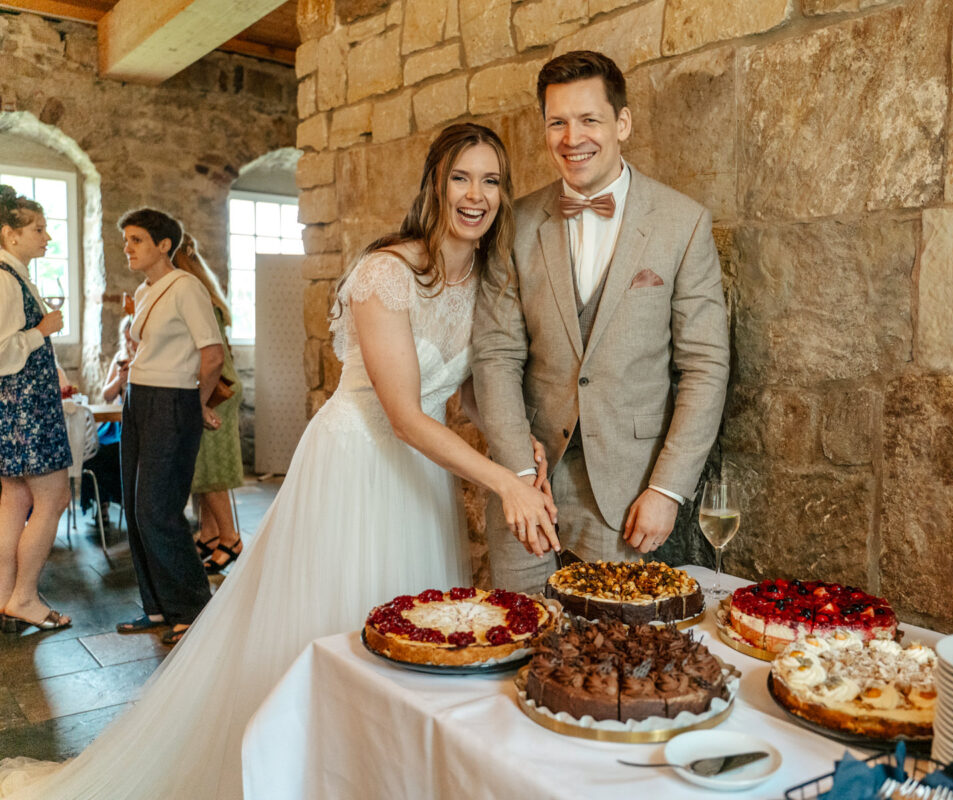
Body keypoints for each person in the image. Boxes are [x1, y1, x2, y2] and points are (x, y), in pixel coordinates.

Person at [0, 123, 554, 800]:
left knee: (418, 633)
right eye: (460, 178)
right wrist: (504, 484)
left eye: (491, 180)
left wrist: (513, 442)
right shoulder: (388, 272)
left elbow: (461, 387)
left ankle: (389, 777)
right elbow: (406, 414)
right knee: (342, 623)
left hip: (423, 476)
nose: (476, 195)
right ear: (434, 186)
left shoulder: (485, 278)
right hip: (359, 464)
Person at [473, 50, 730, 594]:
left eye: (589, 119)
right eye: (557, 122)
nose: (572, 138)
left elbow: (705, 366)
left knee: (617, 663)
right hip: (530, 491)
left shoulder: (683, 224)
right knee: (521, 651)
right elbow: (495, 355)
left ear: (622, 123)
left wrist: (667, 489)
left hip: (631, 499)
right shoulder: (512, 223)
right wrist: (518, 474)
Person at [115, 208, 225, 646]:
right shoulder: (145, 290)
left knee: (157, 509)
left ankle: (194, 608)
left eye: (137, 239)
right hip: (138, 398)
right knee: (135, 505)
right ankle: (158, 605)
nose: (128, 248)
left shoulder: (186, 287)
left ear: (164, 245)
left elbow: (212, 353)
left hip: (171, 400)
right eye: (126, 240)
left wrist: (194, 402)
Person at [0, 185, 72, 633]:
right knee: (54, 498)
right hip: (27, 412)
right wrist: (42, 330)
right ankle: (25, 597)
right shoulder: (6, 280)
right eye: (38, 229)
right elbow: (3, 352)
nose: (47, 238)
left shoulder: (14, 275)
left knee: (14, 500)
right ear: (9, 234)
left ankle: (7, 595)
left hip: (17, 411)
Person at [171, 233, 245, 574]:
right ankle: (211, 533)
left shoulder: (193, 295)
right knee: (201, 468)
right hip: (215, 386)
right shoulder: (204, 292)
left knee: (210, 470)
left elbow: (208, 356)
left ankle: (230, 538)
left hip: (215, 390)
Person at [78, 316, 135, 525]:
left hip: (132, 425)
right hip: (115, 425)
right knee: (92, 450)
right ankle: (100, 505)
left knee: (117, 452)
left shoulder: (147, 362)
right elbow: (107, 395)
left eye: (132, 339)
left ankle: (126, 503)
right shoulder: (120, 359)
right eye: (126, 339)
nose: (129, 344)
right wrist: (120, 379)